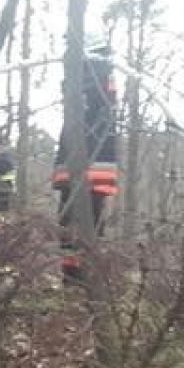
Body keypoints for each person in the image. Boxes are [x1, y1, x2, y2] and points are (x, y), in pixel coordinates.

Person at [52, 45, 120, 281]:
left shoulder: (97, 76)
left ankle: (79, 279)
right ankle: (74, 278)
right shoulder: (94, 78)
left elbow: (96, 114)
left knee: (80, 226)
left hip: (89, 166)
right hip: (83, 167)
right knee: (71, 226)